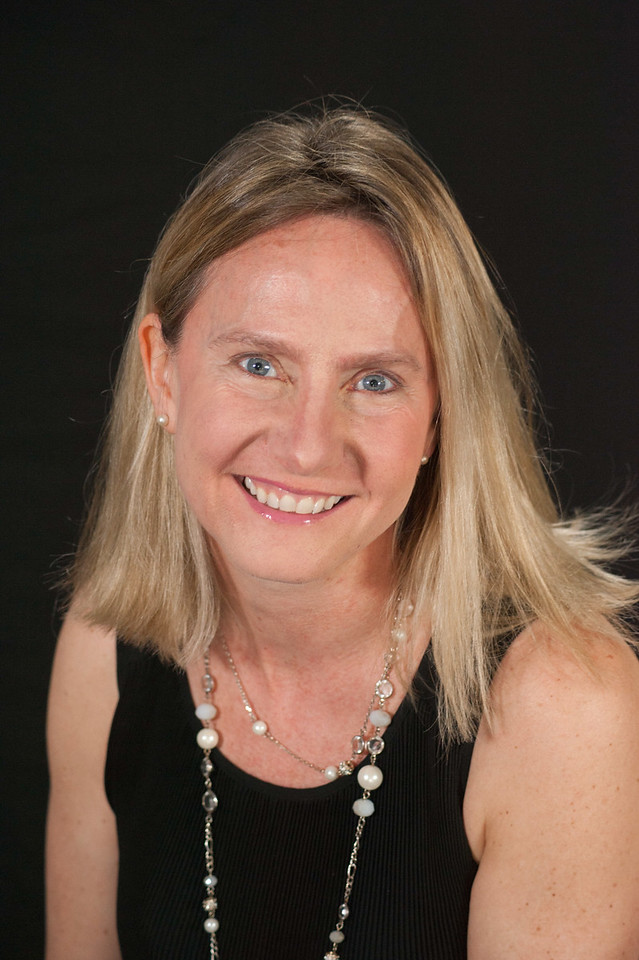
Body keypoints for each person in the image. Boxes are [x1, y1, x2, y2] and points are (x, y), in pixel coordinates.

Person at [46, 106, 639, 960]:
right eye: (259, 365)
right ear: (161, 373)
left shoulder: (563, 706)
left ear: (440, 418)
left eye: (372, 379)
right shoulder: (103, 648)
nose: (307, 444)